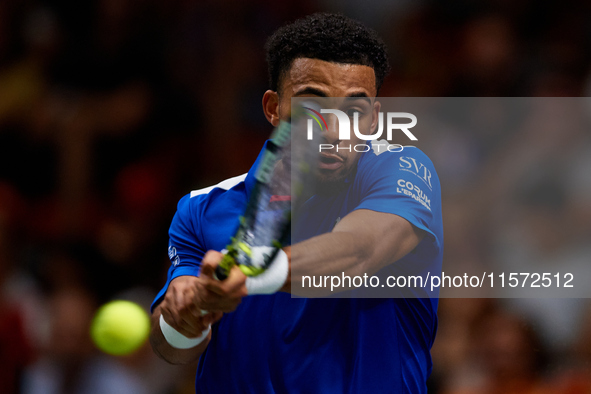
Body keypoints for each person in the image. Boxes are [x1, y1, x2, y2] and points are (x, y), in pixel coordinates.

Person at [150, 12, 443, 393]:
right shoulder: (202, 209)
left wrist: (253, 272)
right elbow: (171, 348)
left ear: (373, 120)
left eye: (355, 110)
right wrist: (185, 320)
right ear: (273, 108)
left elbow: (360, 250)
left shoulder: (401, 171)